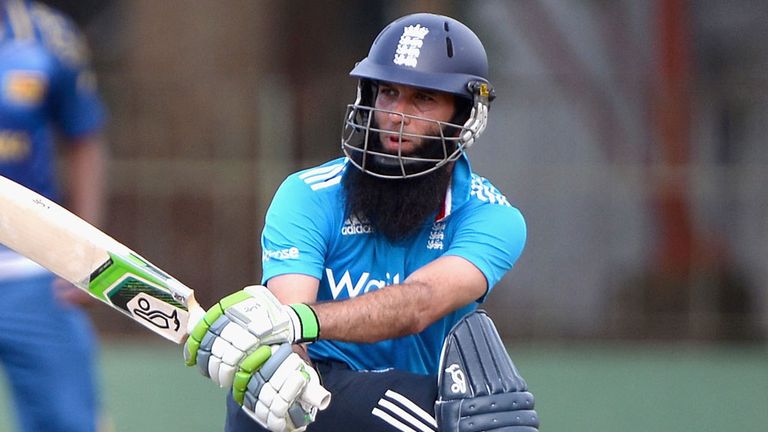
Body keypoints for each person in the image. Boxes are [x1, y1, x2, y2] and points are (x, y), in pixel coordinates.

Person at [185, 12, 538, 432]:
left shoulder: (491, 217)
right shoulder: (309, 195)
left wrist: (300, 320)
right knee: (271, 379)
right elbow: (289, 336)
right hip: (310, 392)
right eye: (388, 92)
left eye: (423, 98)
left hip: (414, 395)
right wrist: (287, 347)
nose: (397, 115)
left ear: (464, 116)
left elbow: (422, 303)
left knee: (493, 414)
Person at [0, 0, 107, 431]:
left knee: (69, 420)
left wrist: (86, 249)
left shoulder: (49, 37)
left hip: (33, 269)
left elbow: (85, 136)